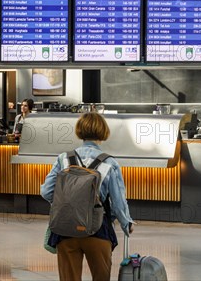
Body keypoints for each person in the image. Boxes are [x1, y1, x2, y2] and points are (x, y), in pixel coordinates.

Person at [41, 112, 134, 281]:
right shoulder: (109, 162)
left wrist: (66, 205)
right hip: (98, 229)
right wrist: (126, 223)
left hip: (65, 229)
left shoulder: (64, 158)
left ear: (80, 131)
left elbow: (46, 191)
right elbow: (118, 202)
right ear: (103, 132)